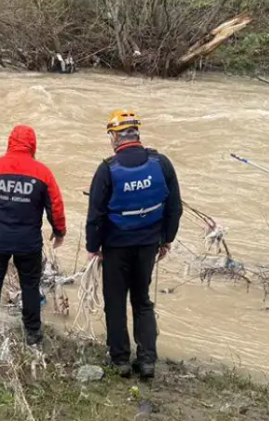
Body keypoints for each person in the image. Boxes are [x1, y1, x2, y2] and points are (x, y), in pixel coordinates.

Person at [85, 110, 181, 380]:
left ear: (115, 137)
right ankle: (147, 359)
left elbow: (95, 214)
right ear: (136, 134)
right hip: (149, 244)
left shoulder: (107, 169)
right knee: (142, 300)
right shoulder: (162, 164)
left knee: (115, 302)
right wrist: (167, 239)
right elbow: (174, 208)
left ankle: (120, 361)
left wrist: (93, 247)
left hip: (116, 246)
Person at [0, 124, 66, 347]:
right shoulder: (43, 173)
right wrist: (59, 232)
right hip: (28, 242)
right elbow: (56, 206)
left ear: (10, 142)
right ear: (33, 145)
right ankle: (32, 333)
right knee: (30, 285)